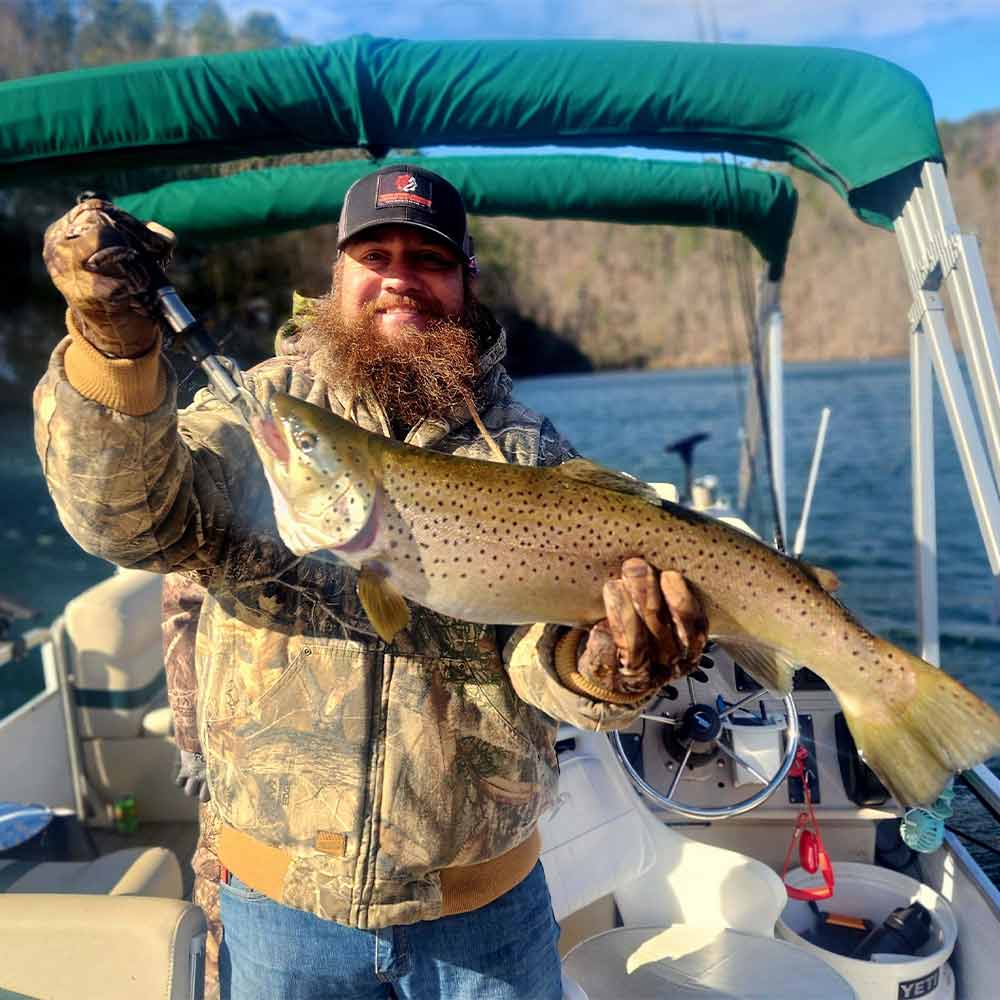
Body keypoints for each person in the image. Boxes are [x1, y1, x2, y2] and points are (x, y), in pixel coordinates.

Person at [35, 163, 708, 999]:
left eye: (427, 259)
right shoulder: (265, 411)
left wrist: (612, 663)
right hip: (280, 910)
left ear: (465, 279)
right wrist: (115, 350)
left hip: (487, 915)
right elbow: (131, 521)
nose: (399, 277)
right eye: (374, 253)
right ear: (338, 275)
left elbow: (544, 664)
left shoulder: (529, 453)